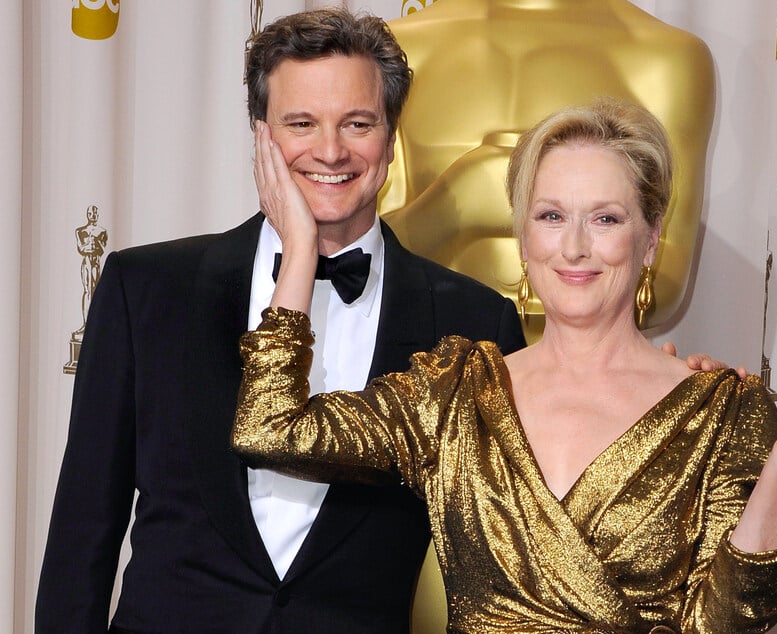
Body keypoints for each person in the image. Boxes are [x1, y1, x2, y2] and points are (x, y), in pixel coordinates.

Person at [233, 99, 777, 632]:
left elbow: (725, 624)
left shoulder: (722, 408)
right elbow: (269, 428)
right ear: (523, 237)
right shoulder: (455, 392)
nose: (573, 248)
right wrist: (300, 250)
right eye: (550, 216)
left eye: (604, 219)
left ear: (651, 238)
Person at [36, 9, 527, 633]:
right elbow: (84, 531)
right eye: (302, 123)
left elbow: (504, 560)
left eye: (357, 123)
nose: (330, 151)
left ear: (391, 133)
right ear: (261, 134)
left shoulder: (474, 323)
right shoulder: (147, 290)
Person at [380, 0, 716, 339]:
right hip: (427, 371)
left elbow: (667, 276)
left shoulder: (668, 55)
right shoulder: (398, 47)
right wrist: (458, 206)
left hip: (596, 374)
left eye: (606, 219)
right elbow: (362, 258)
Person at [74, 203, 108, 332]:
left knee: (96, 290)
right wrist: (89, 243)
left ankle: (95, 324)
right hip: (87, 260)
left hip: (96, 261)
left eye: (94, 213)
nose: (92, 215)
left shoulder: (102, 231)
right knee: (87, 290)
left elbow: (103, 249)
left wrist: (97, 241)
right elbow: (81, 248)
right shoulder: (80, 231)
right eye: (90, 213)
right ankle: (85, 324)